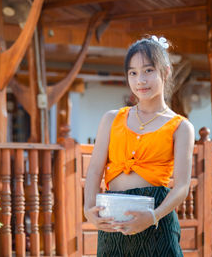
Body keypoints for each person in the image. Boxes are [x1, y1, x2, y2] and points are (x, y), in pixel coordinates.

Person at [84, 36, 195, 257]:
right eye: (132, 73)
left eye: (147, 70)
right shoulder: (111, 119)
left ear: (165, 71)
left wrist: (153, 216)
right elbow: (95, 169)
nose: (140, 80)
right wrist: (88, 210)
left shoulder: (181, 127)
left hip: (157, 222)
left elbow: (182, 186)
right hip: (113, 220)